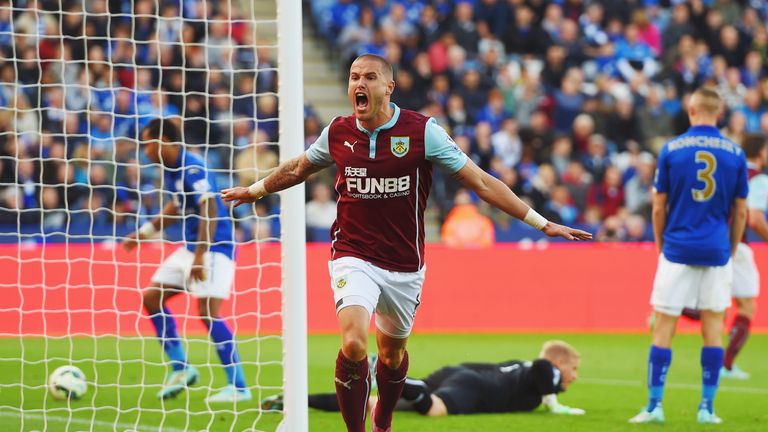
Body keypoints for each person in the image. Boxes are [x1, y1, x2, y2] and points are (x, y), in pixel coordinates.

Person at [222, 54, 591, 432]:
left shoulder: (422, 132)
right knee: (353, 345)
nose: (358, 84)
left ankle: (383, 417)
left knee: (392, 355)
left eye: (369, 77)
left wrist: (541, 223)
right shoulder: (337, 132)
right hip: (353, 254)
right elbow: (299, 167)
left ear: (388, 87)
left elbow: (480, 182)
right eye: (353, 78)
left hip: (404, 266)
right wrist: (255, 190)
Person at [629, 88, 748, 425]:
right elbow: (740, 213)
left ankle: (654, 407)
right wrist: (732, 248)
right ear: (719, 112)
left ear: (692, 109)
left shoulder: (671, 149)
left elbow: (657, 206)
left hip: (677, 249)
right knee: (713, 328)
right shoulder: (735, 153)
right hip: (716, 250)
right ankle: (707, 409)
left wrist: (660, 246)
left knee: (664, 327)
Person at [123, 119, 250, 402]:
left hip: (215, 248)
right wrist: (144, 233)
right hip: (191, 248)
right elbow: (176, 206)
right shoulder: (171, 170)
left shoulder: (192, 167)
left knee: (207, 312)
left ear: (164, 141)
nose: (145, 151)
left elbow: (210, 206)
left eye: (147, 143)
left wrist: (201, 254)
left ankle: (238, 386)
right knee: (152, 297)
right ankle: (181, 367)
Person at [261, 340, 584, 417]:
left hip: (460, 374)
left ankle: (293, 401)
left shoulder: (520, 366)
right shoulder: (544, 369)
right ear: (558, 362)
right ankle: (384, 372)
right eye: (573, 370)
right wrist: (558, 401)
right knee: (433, 408)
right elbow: (547, 372)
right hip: (474, 388)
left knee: (373, 404)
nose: (574, 377)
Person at [680, 134, 768, 380]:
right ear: (761, 152)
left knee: (718, 303)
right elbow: (754, 218)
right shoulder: (759, 179)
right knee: (746, 305)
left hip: (713, 240)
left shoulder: (727, 173)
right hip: (737, 245)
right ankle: (725, 365)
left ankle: (674, 308)